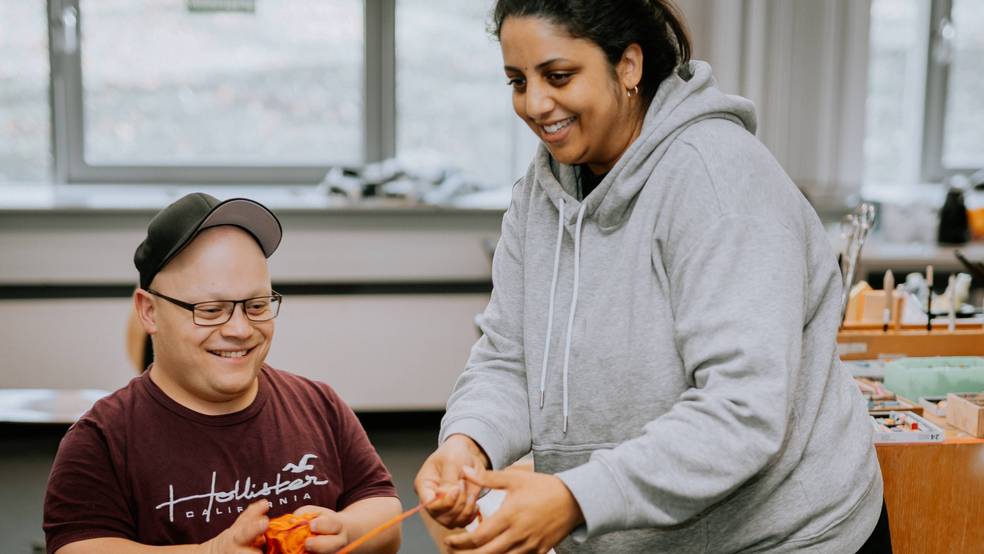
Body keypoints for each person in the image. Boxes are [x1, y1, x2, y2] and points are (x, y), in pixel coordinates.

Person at [414, 1, 889, 552]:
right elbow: (510, 358)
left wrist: (575, 498)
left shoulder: (718, 183)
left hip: (782, 537)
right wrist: (469, 443)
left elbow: (741, 410)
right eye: (518, 81)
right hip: (634, 534)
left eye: (559, 76)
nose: (535, 104)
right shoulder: (541, 194)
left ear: (629, 66)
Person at [44, 193, 402, 554]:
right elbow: (78, 548)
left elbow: (384, 512)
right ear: (149, 311)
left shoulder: (318, 405)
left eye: (257, 305)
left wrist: (347, 529)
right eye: (212, 309)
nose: (241, 329)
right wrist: (206, 552)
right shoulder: (103, 439)